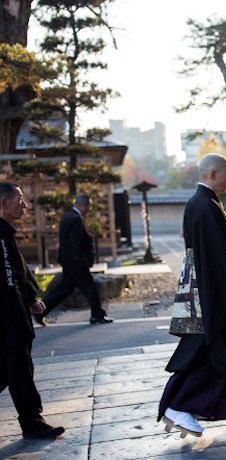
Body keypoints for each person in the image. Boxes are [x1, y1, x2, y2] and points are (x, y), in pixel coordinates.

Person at [158, 154, 226, 437]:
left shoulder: (205, 203)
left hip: (215, 287)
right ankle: (178, 406)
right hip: (211, 292)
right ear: (214, 174)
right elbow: (216, 258)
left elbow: (224, 252)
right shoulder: (204, 206)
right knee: (209, 350)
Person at [0, 182, 65, 439]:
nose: (24, 205)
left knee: (11, 368)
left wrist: (28, 297)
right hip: (7, 316)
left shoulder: (5, 232)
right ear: (4, 203)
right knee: (18, 367)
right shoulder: (0, 233)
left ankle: (32, 420)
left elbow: (16, 270)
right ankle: (32, 421)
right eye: (20, 200)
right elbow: (9, 276)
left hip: (11, 311)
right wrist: (24, 300)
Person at [34, 194, 113, 325]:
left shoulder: (67, 216)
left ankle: (41, 311)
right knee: (90, 287)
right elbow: (74, 243)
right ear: (83, 205)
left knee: (65, 288)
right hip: (76, 262)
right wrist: (82, 260)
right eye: (88, 206)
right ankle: (97, 315)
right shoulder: (76, 219)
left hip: (68, 260)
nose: (88, 210)